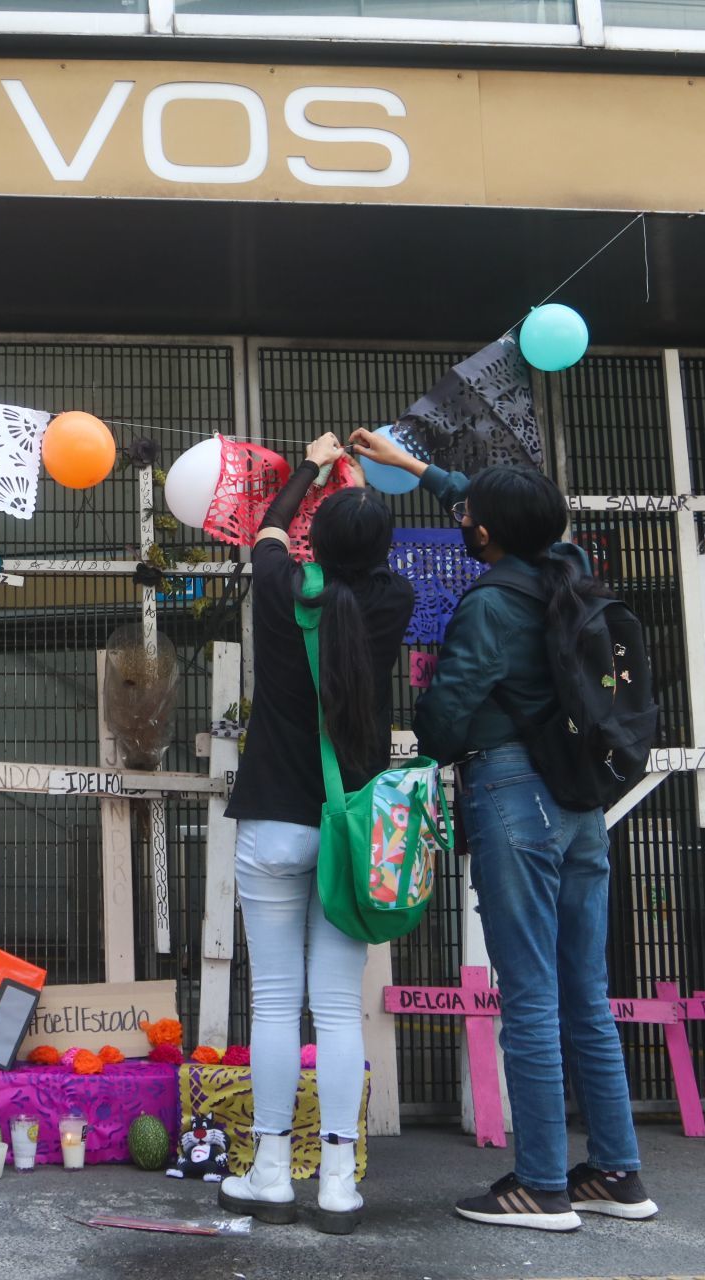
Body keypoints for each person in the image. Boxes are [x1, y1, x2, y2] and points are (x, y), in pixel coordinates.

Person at [348, 428, 656, 1232]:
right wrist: (420, 468)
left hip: (515, 792)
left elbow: (450, 707)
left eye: (470, 514)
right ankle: (616, 1172)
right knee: (585, 992)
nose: (465, 519)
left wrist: (429, 734)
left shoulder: (488, 603)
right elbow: (512, 519)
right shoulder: (571, 571)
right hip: (581, 805)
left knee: (527, 996)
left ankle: (542, 1184)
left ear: (483, 532)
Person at [218, 432, 414, 1234]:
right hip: (349, 832)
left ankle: (269, 1172)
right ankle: (337, 1181)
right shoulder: (394, 600)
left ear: (315, 542)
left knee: (272, 1005)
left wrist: (310, 464)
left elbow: (268, 526)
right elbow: (367, 553)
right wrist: (357, 482)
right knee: (337, 1012)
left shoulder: (279, 584)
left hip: (271, 822)